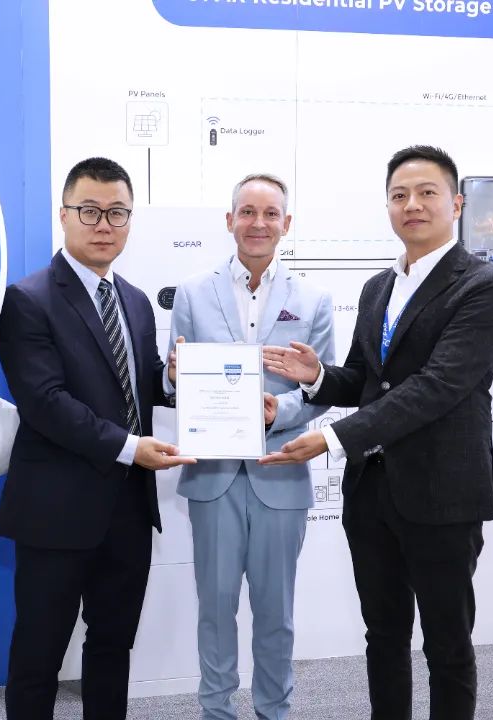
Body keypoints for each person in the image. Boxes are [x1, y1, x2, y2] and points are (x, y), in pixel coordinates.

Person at [260, 145, 493, 720]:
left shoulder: (486, 286)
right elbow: (367, 380)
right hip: (373, 492)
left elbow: (437, 385)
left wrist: (333, 439)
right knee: (383, 635)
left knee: (447, 643)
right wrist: (318, 376)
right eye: (400, 195)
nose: (412, 205)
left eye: (427, 193)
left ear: (456, 204)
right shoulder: (379, 287)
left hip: (443, 493)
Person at [0, 157, 194, 720]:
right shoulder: (27, 299)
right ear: (64, 215)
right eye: (90, 211)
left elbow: (137, 382)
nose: (104, 225)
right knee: (39, 653)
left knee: (112, 646)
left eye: (117, 213)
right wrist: (132, 448)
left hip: (128, 508)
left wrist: (171, 380)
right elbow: (45, 403)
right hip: (57, 510)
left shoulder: (135, 299)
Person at [165, 173, 334, 720]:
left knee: (275, 614)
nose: (258, 223)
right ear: (230, 219)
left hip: (279, 472)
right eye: (247, 212)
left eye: (270, 213)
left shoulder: (313, 300)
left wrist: (279, 411)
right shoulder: (193, 292)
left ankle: (273, 712)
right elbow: (174, 378)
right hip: (212, 477)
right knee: (214, 611)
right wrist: (174, 377)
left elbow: (323, 388)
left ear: (286, 223)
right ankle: (216, 712)